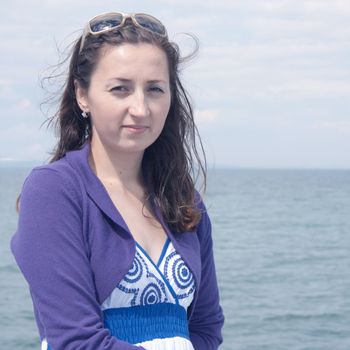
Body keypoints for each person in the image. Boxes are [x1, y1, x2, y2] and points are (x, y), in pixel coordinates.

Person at [10, 12, 224, 350]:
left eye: (154, 89)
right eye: (120, 89)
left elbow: (207, 327)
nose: (140, 108)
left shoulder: (182, 198)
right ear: (83, 94)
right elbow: (76, 342)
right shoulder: (55, 191)